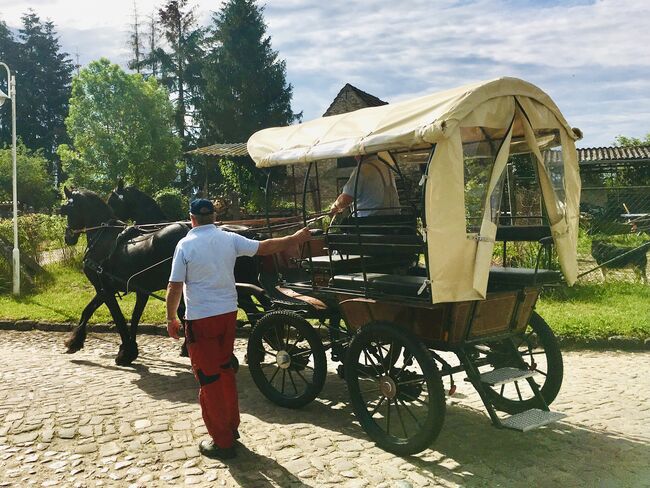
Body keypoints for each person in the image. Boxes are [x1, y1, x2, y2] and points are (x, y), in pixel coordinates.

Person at [166, 199, 311, 460]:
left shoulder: (184, 245)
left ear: (192, 218)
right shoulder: (229, 239)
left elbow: (174, 286)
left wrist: (170, 319)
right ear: (212, 216)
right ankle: (231, 428)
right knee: (225, 371)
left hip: (201, 318)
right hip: (228, 315)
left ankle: (222, 442)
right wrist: (295, 237)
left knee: (208, 378)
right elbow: (266, 247)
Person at [330, 154, 400, 217]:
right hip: (392, 219)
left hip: (368, 221)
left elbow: (345, 199)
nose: (354, 157)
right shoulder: (386, 168)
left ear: (362, 153)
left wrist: (335, 206)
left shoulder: (362, 169)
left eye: (356, 153)